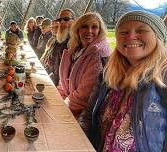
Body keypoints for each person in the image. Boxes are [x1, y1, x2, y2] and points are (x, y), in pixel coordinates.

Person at [79, 11, 167, 151]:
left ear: (158, 37)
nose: (131, 36)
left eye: (141, 30)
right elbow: (88, 114)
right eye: (124, 32)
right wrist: (80, 140)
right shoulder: (108, 74)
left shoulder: (164, 76)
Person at [57, 12, 111, 119]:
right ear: (78, 29)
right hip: (68, 102)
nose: (89, 31)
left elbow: (84, 95)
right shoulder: (76, 49)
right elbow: (63, 80)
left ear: (99, 30)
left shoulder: (98, 54)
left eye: (94, 27)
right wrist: (57, 98)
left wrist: (62, 108)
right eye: (84, 26)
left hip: (81, 114)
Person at [47, 8, 76, 85]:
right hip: (51, 76)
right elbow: (51, 59)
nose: (62, 22)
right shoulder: (59, 38)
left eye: (66, 19)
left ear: (74, 21)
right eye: (60, 20)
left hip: (62, 84)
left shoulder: (76, 41)